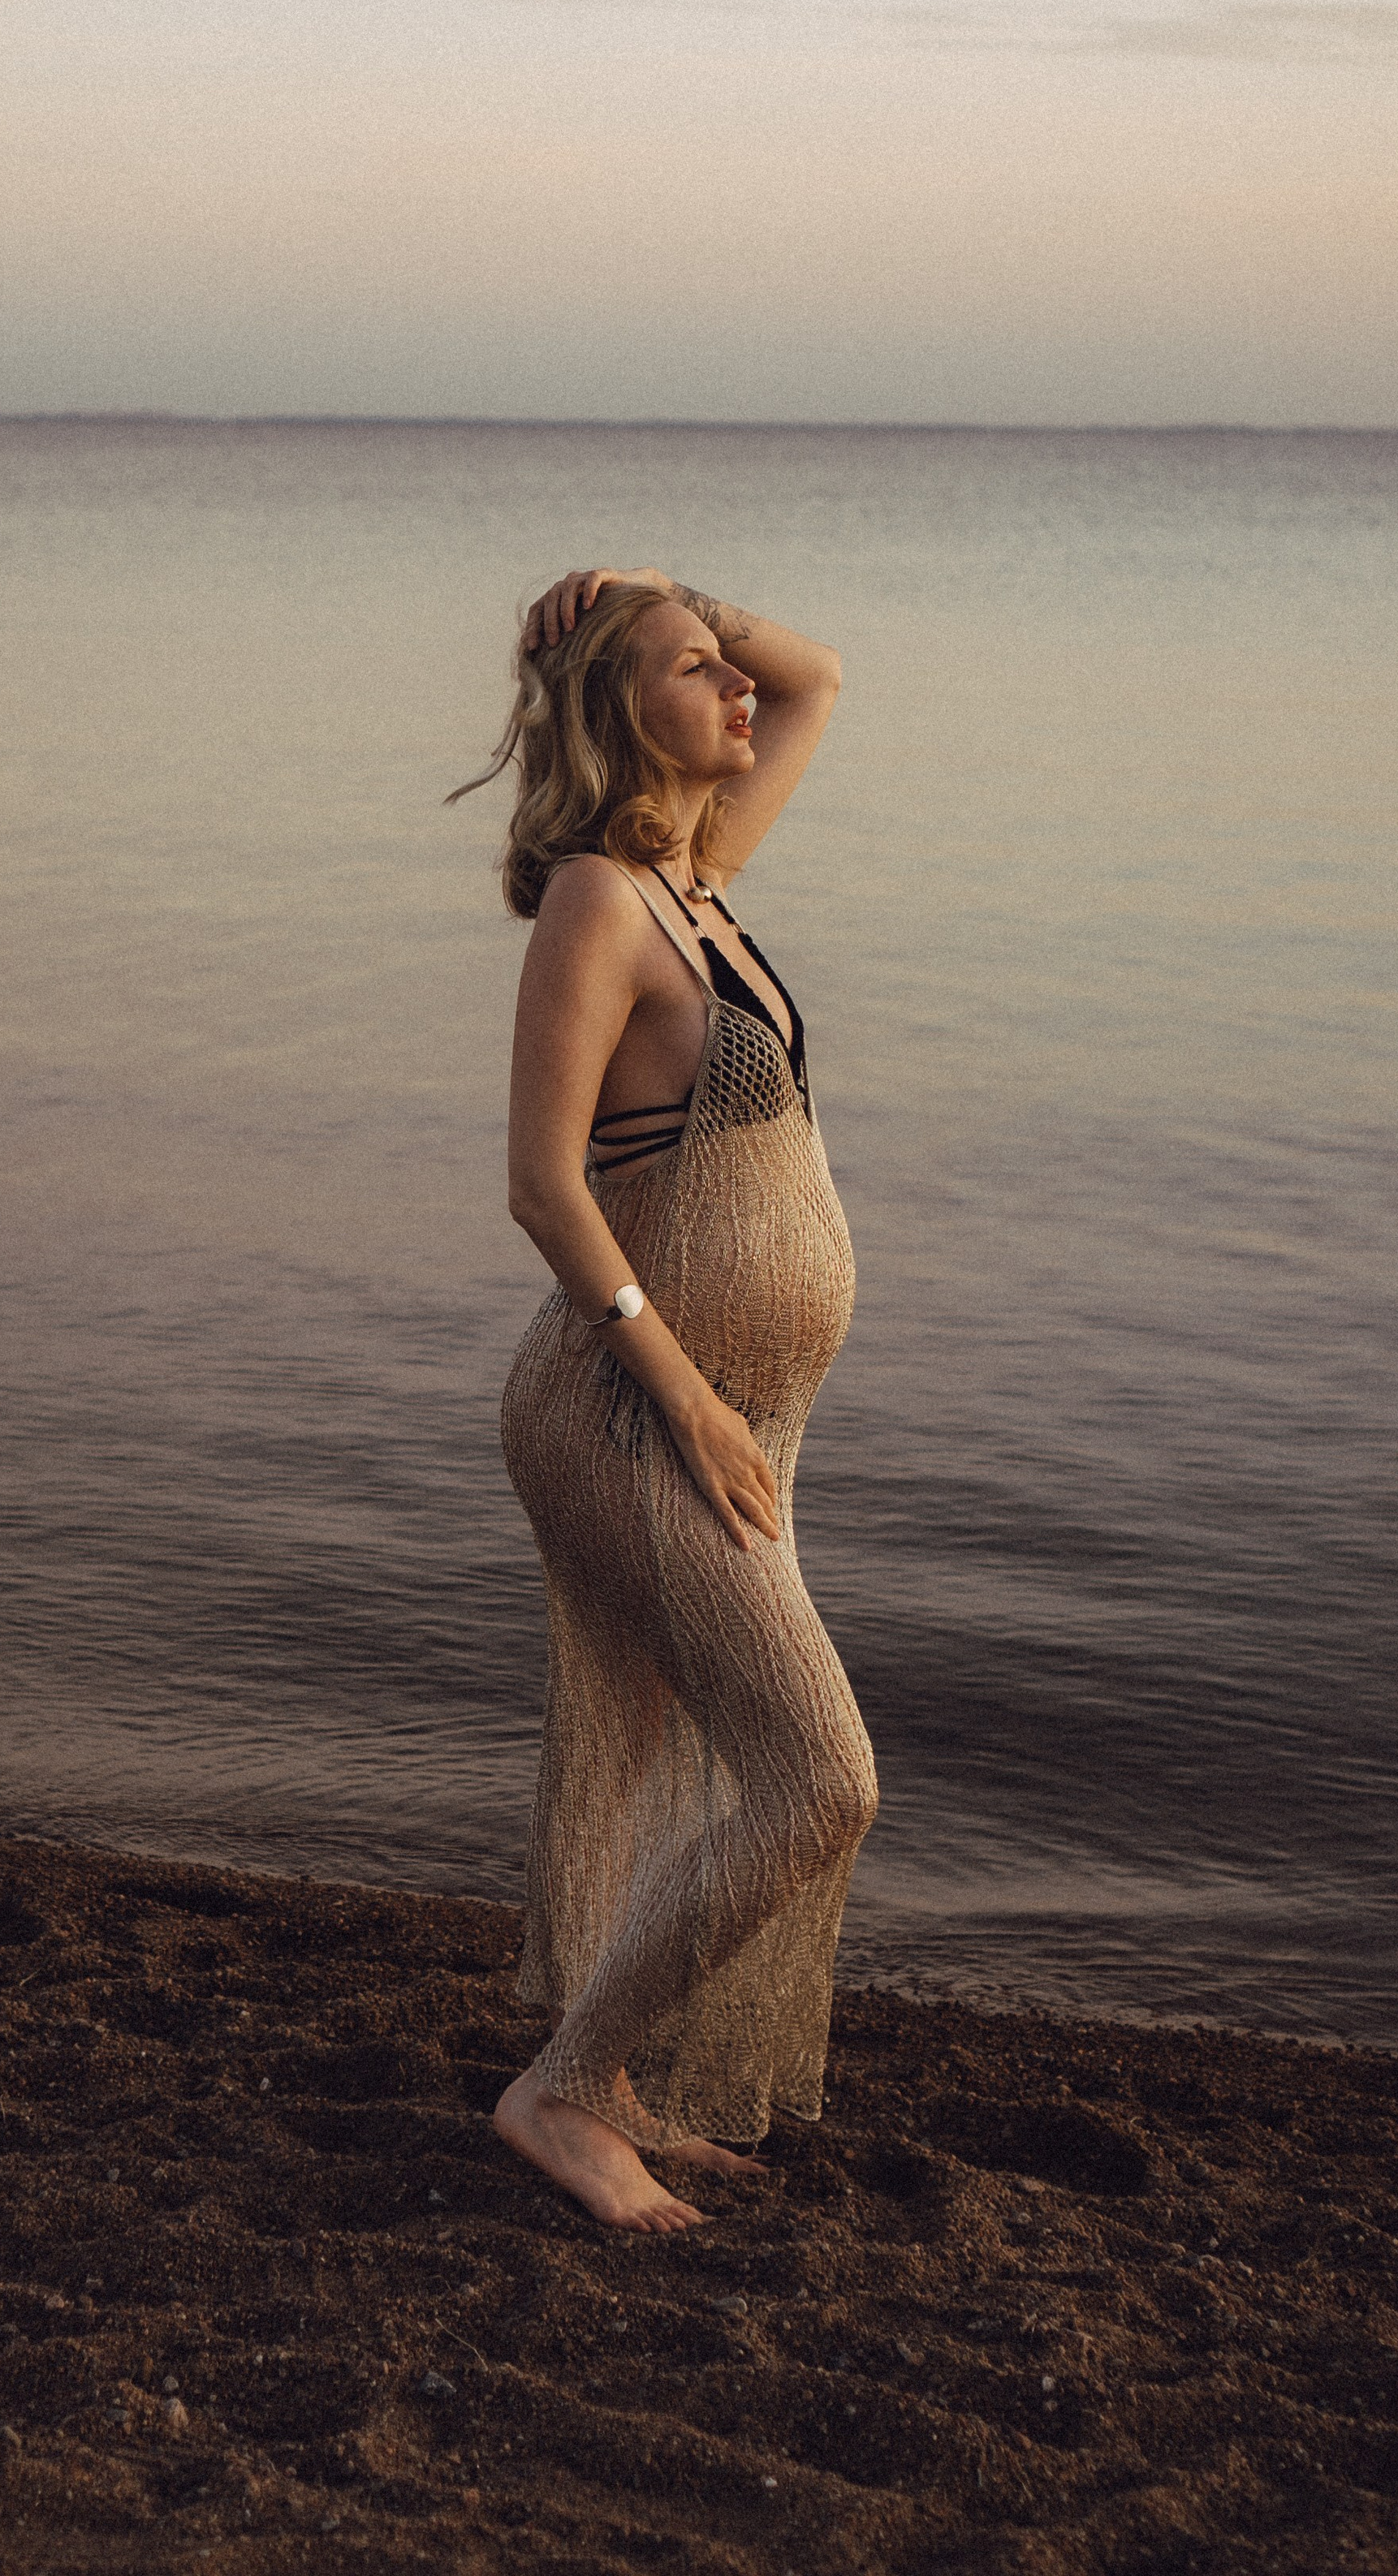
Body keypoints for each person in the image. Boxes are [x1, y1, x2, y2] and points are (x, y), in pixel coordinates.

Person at [451, 564, 877, 2234]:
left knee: (645, 1754)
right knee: (820, 1780)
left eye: (720, 663)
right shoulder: (598, 903)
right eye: (696, 669)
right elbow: (542, 1188)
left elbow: (818, 674)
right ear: (619, 713)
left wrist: (652, 583)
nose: (737, 687)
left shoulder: (695, 883)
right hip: (631, 1411)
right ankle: (559, 2096)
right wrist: (689, 1397)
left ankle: (602, 2072)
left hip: (732, 1412)